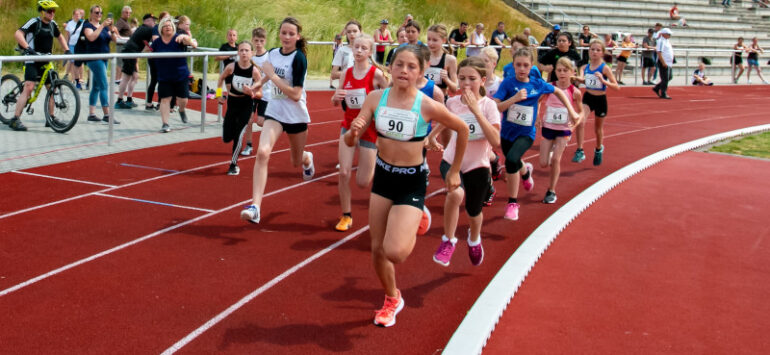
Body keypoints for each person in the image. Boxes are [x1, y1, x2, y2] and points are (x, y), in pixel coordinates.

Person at [343, 44, 469, 327]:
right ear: (390, 66)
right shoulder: (376, 98)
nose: (404, 71)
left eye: (411, 67)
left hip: (412, 180)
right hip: (384, 176)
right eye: (399, 64)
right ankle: (392, 298)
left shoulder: (426, 105)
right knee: (376, 249)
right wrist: (353, 134)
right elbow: (352, 138)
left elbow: (461, 129)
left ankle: (418, 215)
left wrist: (454, 172)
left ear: (422, 72)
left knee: (395, 252)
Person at [240, 17, 315, 224]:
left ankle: (307, 157)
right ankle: (255, 206)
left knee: (296, 161)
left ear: (298, 36)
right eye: (284, 33)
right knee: (263, 152)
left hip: (296, 114)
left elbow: (296, 94)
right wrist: (255, 88)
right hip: (275, 111)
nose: (287, 37)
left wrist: (273, 77)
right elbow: (266, 75)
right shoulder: (273, 53)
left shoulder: (299, 58)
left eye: (291, 34)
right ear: (279, 34)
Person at [427, 56, 500, 267]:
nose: (466, 84)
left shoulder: (489, 106)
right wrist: (431, 136)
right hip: (451, 161)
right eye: (462, 78)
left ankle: (474, 238)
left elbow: (495, 140)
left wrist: (476, 110)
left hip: (478, 165)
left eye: (472, 79)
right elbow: (446, 119)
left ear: (483, 80)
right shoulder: (452, 102)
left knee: (474, 212)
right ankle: (448, 241)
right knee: (455, 193)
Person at [493, 48, 579, 221]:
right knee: (514, 159)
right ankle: (525, 173)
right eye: (518, 65)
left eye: (526, 65)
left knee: (510, 161)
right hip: (507, 132)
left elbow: (558, 92)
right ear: (513, 65)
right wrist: (514, 99)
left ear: (531, 66)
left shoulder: (537, 84)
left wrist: (571, 111)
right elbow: (496, 107)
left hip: (526, 133)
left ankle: (512, 203)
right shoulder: (507, 84)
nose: (522, 68)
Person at [331, 34, 389, 231]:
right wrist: (336, 97)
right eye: (356, 47)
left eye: (364, 48)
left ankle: (377, 164)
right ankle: (346, 215)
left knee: (363, 182)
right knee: (344, 172)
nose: (359, 51)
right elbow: (336, 100)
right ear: (352, 49)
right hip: (348, 126)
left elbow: (390, 96)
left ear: (370, 52)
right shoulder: (345, 74)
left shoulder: (376, 74)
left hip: (369, 130)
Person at [8, 0, 70, 131]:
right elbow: (18, 34)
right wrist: (28, 48)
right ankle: (15, 119)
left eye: (54, 11)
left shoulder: (53, 24)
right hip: (32, 59)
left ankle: (51, 118)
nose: (52, 13)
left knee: (52, 87)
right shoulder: (34, 22)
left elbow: (60, 37)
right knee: (29, 87)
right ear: (42, 11)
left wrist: (67, 49)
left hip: (46, 60)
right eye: (49, 11)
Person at [537, 57, 582, 204]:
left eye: (565, 70)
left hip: (563, 129)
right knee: (544, 163)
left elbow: (581, 113)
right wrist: (537, 117)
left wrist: (573, 126)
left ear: (571, 72)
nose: (562, 73)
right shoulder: (549, 87)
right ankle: (550, 155)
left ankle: (551, 191)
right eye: (559, 70)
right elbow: (537, 101)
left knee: (556, 159)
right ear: (555, 71)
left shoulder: (575, 92)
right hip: (548, 127)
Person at [216, 41, 262, 175]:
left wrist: (251, 93)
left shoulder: (254, 72)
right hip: (232, 103)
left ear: (252, 53)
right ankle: (230, 138)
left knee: (238, 135)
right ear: (238, 53)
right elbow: (220, 79)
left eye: (247, 50)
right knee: (226, 137)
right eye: (241, 50)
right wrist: (219, 95)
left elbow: (260, 93)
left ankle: (233, 164)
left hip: (246, 105)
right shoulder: (231, 67)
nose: (244, 53)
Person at [574, 39, 620, 166]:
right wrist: (577, 79)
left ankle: (599, 148)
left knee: (597, 129)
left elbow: (616, 87)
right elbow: (583, 80)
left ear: (602, 53)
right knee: (580, 121)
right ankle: (580, 150)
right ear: (588, 51)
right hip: (588, 97)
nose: (594, 52)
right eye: (592, 49)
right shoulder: (584, 67)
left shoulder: (605, 68)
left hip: (600, 100)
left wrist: (603, 81)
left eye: (598, 50)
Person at [150, 16, 198, 133]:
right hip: (164, 76)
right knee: (165, 100)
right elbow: (148, 52)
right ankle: (165, 124)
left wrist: (185, 37)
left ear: (173, 28)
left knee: (183, 99)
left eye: (170, 26)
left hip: (180, 75)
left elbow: (193, 44)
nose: (168, 28)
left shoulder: (179, 38)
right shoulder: (157, 42)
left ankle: (182, 110)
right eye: (165, 26)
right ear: (161, 29)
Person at [83, 5, 118, 124]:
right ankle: (107, 114)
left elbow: (115, 40)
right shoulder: (88, 25)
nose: (99, 15)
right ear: (91, 14)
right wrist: (102, 25)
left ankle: (91, 114)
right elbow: (91, 37)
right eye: (97, 12)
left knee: (97, 86)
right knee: (104, 85)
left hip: (104, 58)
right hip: (94, 58)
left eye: (101, 13)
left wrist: (111, 28)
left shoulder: (104, 28)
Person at [115, 13, 156, 110]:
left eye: (154, 20)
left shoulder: (142, 29)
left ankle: (129, 99)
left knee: (135, 76)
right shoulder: (148, 29)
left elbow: (146, 44)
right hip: (130, 53)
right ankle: (119, 101)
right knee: (126, 77)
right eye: (152, 20)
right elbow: (150, 43)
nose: (154, 22)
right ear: (146, 21)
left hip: (131, 52)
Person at [241, 27, 270, 156]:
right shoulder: (249, 56)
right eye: (256, 40)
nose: (258, 43)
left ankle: (274, 129)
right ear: (252, 40)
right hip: (251, 94)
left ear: (265, 41)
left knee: (260, 121)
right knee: (248, 120)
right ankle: (249, 145)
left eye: (261, 41)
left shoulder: (269, 57)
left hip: (266, 94)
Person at [425, 24, 458, 96]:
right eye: (429, 39)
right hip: (424, 100)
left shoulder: (450, 60)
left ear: (444, 40)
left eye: (435, 40)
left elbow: (455, 88)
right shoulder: (422, 57)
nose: (430, 43)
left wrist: (446, 79)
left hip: (440, 100)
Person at [653, 28, 674, 99]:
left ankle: (657, 87)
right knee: (665, 78)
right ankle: (663, 93)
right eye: (668, 34)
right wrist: (663, 62)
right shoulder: (661, 41)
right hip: (664, 62)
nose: (669, 35)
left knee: (669, 77)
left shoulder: (667, 41)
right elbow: (659, 52)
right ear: (664, 34)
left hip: (668, 62)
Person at [114, 6, 132, 85]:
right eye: (126, 12)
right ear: (122, 13)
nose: (128, 14)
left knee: (123, 62)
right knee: (120, 62)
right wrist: (120, 37)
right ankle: (117, 79)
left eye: (129, 13)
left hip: (125, 44)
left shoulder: (125, 21)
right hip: (121, 44)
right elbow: (114, 29)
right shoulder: (121, 21)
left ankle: (119, 78)